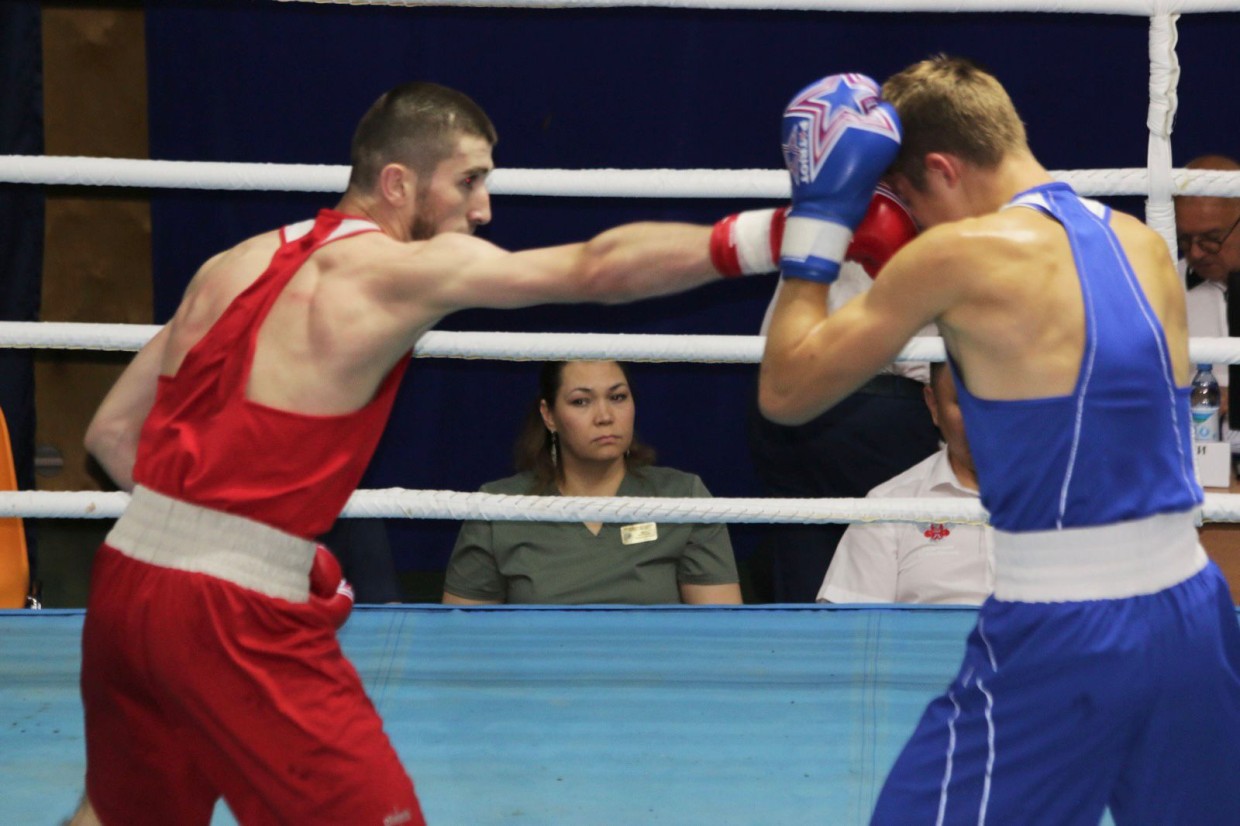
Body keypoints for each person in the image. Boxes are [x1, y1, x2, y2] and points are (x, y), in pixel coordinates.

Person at [70, 80, 907, 825]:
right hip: (232, 615)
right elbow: (594, 269)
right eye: (468, 181)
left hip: (125, 584)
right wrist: (800, 228)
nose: (483, 209)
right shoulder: (393, 271)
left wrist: (215, 537)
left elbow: (110, 437)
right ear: (397, 183)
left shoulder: (232, 263)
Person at [759, 61, 1240, 823]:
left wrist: (820, 220)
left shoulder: (959, 257)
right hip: (1193, 608)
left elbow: (784, 390)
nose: (909, 223)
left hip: (1065, 625)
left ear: (942, 169)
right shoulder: (1144, 246)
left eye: (909, 201)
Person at [747, 220, 939, 604]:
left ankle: (818, 658)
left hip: (789, 398)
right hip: (883, 403)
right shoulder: (931, 197)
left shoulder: (829, 188)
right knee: (902, 555)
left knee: (807, 566)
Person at [443, 360, 741, 605]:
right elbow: (462, 647)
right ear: (549, 416)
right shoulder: (498, 506)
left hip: (652, 676)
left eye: (617, 397)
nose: (605, 416)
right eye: (581, 401)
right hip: (542, 676)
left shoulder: (682, 496)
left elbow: (722, 639)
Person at [817, 361, 992, 605]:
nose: (985, 419)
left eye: (1003, 400)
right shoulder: (887, 505)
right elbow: (853, 635)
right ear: (934, 405)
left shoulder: (1064, 497)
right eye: (964, 402)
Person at [1175, 154, 1240, 447]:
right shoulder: (1157, 287)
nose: (1197, 254)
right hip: (1196, 471)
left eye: (1211, 239)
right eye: (1186, 240)